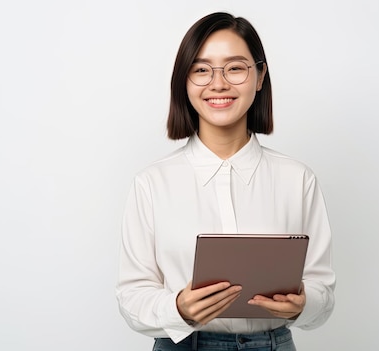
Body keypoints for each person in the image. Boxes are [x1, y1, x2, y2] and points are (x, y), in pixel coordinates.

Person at [116, 12, 335, 351]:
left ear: (259, 76)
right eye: (202, 70)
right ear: (184, 81)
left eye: (235, 68)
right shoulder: (152, 183)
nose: (218, 83)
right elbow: (132, 296)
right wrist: (177, 308)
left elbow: (322, 292)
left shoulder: (297, 179)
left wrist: (304, 303)